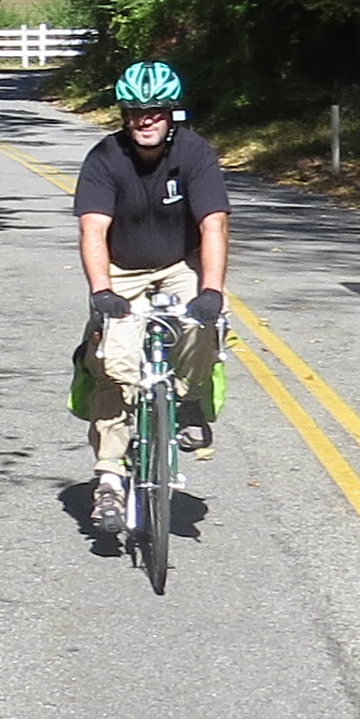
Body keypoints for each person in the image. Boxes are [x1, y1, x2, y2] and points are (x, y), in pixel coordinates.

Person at [74, 59, 228, 537]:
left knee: (205, 323)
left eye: (156, 111)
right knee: (114, 364)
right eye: (137, 112)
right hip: (122, 268)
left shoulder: (195, 153)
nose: (146, 120)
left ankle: (188, 399)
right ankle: (109, 477)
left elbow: (213, 225)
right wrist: (102, 291)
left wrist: (211, 291)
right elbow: (93, 230)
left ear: (171, 114)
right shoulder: (105, 158)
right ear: (124, 115)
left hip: (179, 264)